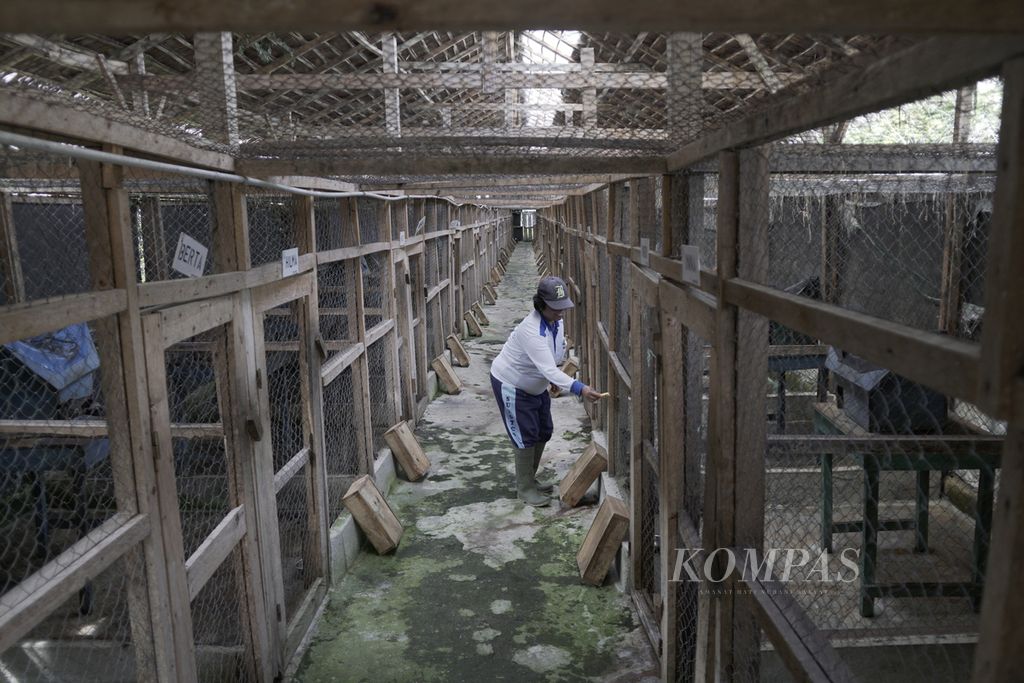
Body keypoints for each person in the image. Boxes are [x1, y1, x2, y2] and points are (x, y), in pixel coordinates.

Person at [490, 276, 603, 506]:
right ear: (540, 304)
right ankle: (524, 488)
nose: (561, 312)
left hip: (536, 384)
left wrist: (551, 377)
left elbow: (552, 357)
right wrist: (580, 388)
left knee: (544, 430)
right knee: (525, 435)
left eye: (563, 307)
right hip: (512, 385)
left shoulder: (556, 321)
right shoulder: (531, 330)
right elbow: (548, 367)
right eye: (555, 308)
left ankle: (530, 479)